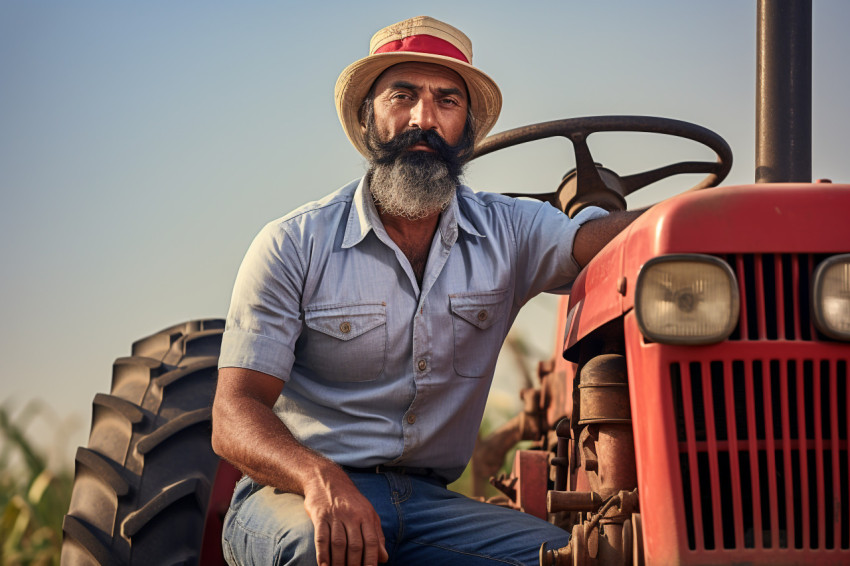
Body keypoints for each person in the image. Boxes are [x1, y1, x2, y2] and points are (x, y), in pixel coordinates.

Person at [211, 15, 640, 566]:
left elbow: (591, 241)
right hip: (293, 492)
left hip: (430, 502)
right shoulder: (295, 243)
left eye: (446, 101)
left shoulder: (508, 230)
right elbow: (233, 413)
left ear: (466, 130)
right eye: (402, 96)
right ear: (368, 120)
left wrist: (705, 217)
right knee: (319, 549)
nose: (424, 119)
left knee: (584, 557)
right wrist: (319, 477)